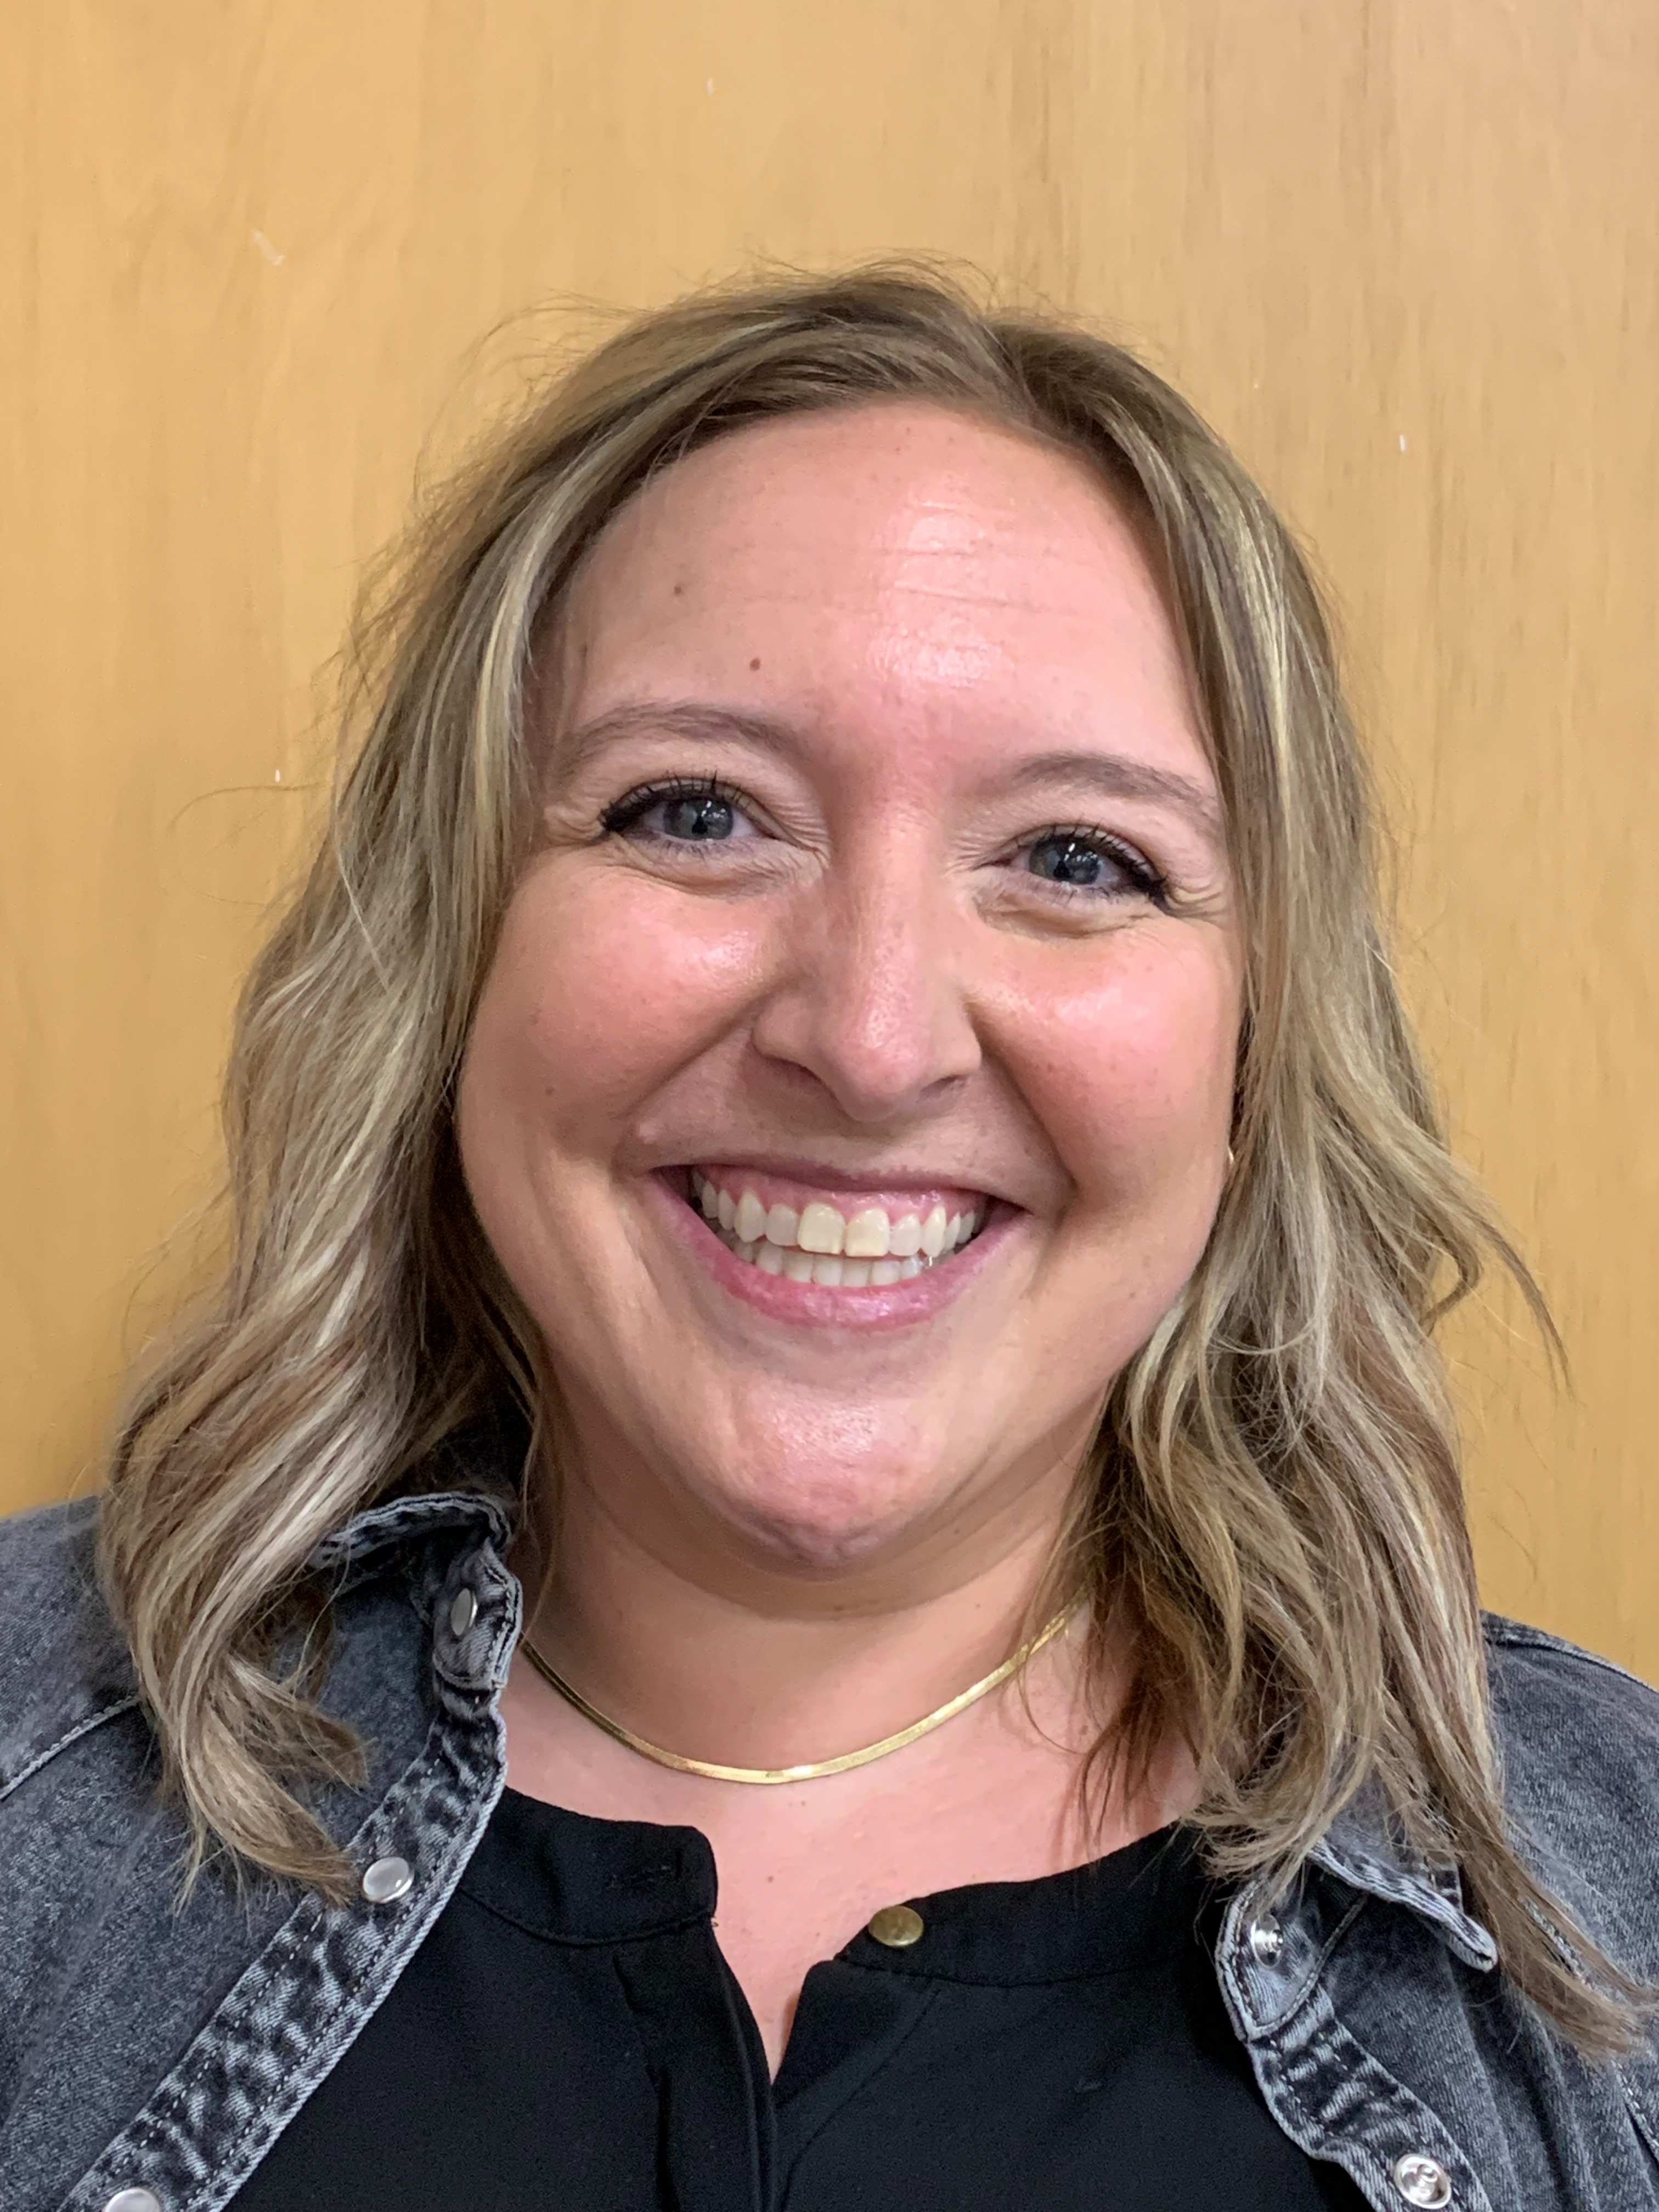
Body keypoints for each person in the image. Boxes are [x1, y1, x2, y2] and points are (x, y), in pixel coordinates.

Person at [2, 266, 1656, 2212]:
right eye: (699, 812)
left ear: (1254, 1054)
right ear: (452, 966)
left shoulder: (1610, 1891)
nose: (870, 1041)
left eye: (1076, 860)